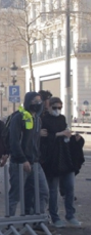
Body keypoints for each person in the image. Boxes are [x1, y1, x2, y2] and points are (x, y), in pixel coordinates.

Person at [40, 97, 81, 227]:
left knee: (70, 188)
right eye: (54, 107)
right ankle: (55, 216)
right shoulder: (44, 120)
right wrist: (60, 134)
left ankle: (70, 215)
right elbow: (45, 139)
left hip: (65, 158)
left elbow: (65, 134)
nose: (57, 110)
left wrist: (72, 137)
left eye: (59, 107)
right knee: (52, 190)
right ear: (49, 107)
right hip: (52, 160)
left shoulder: (62, 119)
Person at [7, 92, 48, 216]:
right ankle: (9, 221)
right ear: (28, 102)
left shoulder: (37, 119)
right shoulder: (18, 117)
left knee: (43, 192)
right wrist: (23, 159)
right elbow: (14, 141)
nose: (38, 104)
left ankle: (38, 220)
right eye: (35, 101)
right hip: (20, 163)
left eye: (39, 101)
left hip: (35, 162)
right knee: (16, 195)